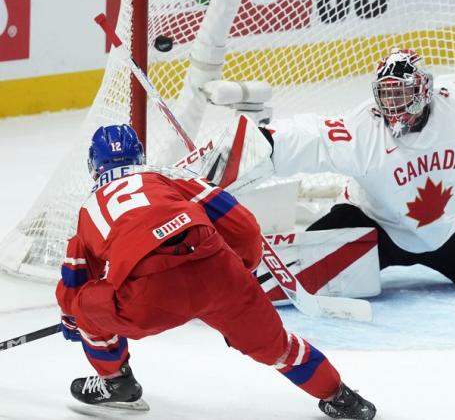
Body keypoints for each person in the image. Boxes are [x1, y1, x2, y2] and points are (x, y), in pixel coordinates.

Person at [55, 124, 376, 419]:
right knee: (278, 346)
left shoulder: (89, 209)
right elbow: (245, 226)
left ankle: (115, 381)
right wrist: (240, 273)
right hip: (218, 269)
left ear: (93, 165)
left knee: (84, 306)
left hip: (152, 296)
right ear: (140, 155)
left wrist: (75, 323)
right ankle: (342, 397)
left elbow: (74, 281)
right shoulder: (170, 176)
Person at [261, 48, 455, 285]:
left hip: (448, 228)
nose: (393, 104)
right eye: (387, 94)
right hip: (371, 227)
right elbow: (313, 137)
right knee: (304, 265)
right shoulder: (362, 130)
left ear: (423, 90)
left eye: (402, 93)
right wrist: (264, 142)